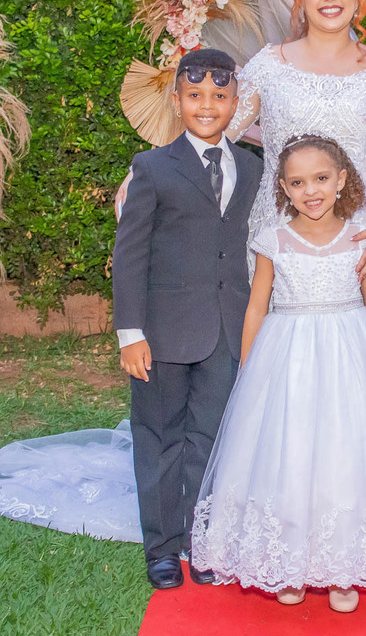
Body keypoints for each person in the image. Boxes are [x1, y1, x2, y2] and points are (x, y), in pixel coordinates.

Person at [190, 135, 366, 613]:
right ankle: (289, 562)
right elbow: (256, 307)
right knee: (288, 455)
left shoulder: (361, 236)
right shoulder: (273, 241)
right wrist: (248, 371)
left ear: (342, 180)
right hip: (287, 360)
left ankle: (341, 566)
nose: (311, 191)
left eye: (321, 179)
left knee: (344, 454)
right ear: (284, 188)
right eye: (297, 182)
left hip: (350, 359)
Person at [224, 0, 366, 375]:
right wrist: (148, 168)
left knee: (362, 371)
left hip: (364, 241)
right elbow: (218, 132)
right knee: (284, 370)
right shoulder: (268, 66)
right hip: (282, 239)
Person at [112, 48, 263, 590]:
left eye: (220, 96)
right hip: (163, 332)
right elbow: (129, 255)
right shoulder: (152, 167)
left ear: (236, 104)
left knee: (210, 438)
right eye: (195, 95)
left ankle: (203, 541)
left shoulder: (253, 168)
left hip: (227, 329)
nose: (207, 106)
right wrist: (131, 333)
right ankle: (161, 547)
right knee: (159, 437)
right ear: (177, 101)